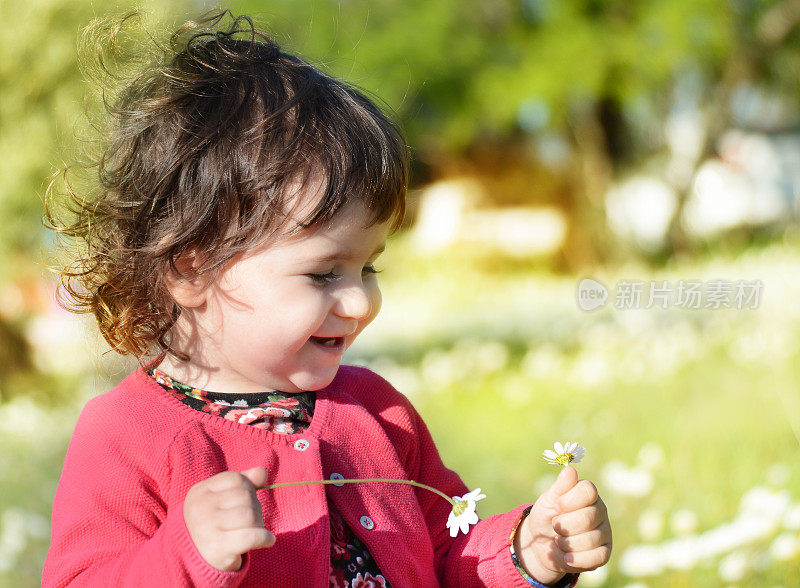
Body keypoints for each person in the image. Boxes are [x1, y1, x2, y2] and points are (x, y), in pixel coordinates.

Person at [42, 11, 611, 587]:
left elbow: (448, 547)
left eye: (368, 266)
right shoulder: (124, 435)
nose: (360, 302)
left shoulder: (377, 411)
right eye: (322, 273)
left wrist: (528, 552)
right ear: (191, 270)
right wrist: (188, 553)